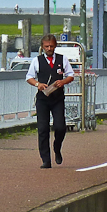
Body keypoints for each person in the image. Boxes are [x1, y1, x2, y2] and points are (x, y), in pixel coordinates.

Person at [26, 34, 75, 168]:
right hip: (43, 99)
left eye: (51, 46)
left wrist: (63, 81)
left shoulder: (62, 59)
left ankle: (57, 147)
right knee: (43, 129)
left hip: (57, 98)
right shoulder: (37, 60)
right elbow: (29, 77)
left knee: (60, 127)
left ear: (55, 46)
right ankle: (46, 160)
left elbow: (71, 75)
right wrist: (38, 84)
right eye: (47, 46)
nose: (49, 48)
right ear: (42, 47)